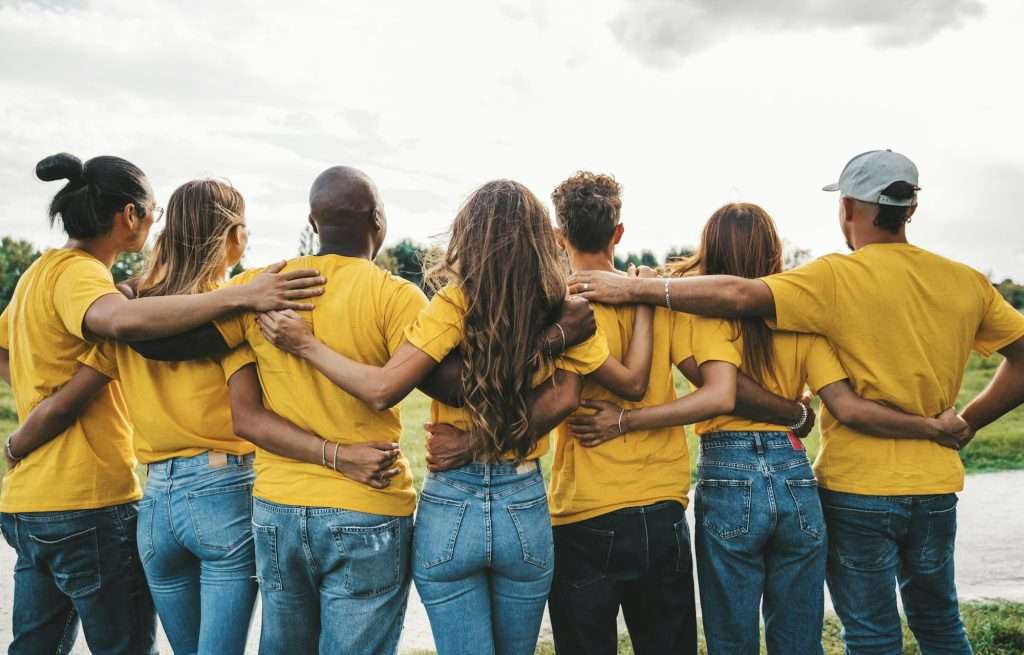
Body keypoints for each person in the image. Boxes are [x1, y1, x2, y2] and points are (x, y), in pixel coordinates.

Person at [568, 150, 1024, 655]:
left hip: (847, 485)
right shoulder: (960, 282)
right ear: (909, 209)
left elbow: (737, 305)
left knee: (861, 634)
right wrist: (961, 424)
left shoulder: (830, 281)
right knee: (938, 622)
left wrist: (640, 288)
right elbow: (844, 400)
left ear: (848, 207)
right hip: (910, 484)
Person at [255, 179, 648, 655]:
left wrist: (305, 344)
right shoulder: (565, 311)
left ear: (468, 238)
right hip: (522, 500)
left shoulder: (453, 303)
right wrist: (548, 342)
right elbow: (563, 400)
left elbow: (382, 389)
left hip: (452, 503)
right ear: (542, 239)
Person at [0, 154, 323, 655]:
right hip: (153, 492)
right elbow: (126, 330)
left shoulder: (69, 284)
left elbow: (61, 371)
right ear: (129, 215)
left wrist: (29, 410)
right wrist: (242, 297)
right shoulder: (104, 291)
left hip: (114, 503)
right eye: (150, 210)